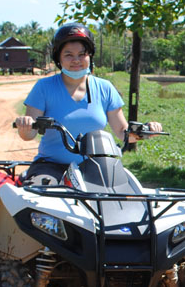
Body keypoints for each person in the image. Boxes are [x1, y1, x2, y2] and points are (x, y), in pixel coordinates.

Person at [13, 22, 161, 184]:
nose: (76, 60)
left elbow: (122, 132)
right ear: (58, 58)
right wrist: (25, 125)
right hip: (51, 165)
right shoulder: (44, 87)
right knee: (42, 197)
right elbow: (29, 135)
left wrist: (145, 132)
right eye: (68, 55)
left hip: (96, 165)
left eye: (82, 54)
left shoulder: (105, 88)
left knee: (117, 196)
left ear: (90, 56)